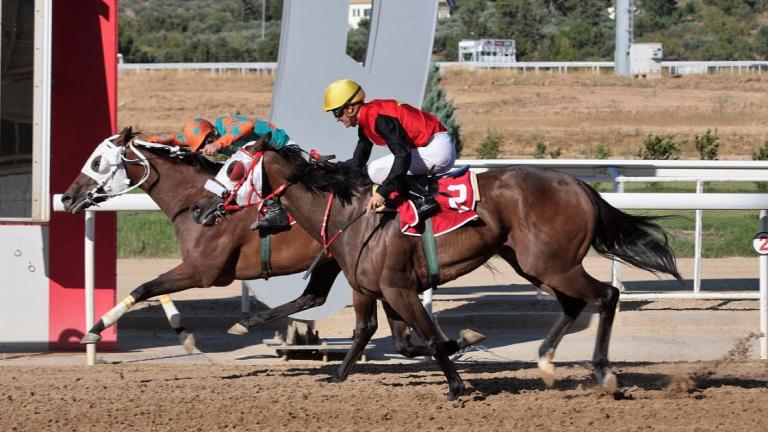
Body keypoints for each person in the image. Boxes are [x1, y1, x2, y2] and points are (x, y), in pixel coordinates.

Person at [321, 79, 455, 214]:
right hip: (430, 149)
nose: (337, 119)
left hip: (437, 149)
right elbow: (358, 162)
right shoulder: (366, 120)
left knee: (374, 169)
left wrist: (382, 192)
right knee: (371, 170)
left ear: (350, 109)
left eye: (336, 113)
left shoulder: (378, 118)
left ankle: (424, 198)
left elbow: (403, 154)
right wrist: (330, 168)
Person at [145, 115, 292, 231]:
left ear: (214, 133)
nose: (204, 149)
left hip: (282, 149)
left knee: (254, 176)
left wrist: (218, 144)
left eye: (205, 144)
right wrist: (155, 141)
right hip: (259, 158)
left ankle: (276, 211)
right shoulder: (209, 137)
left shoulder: (226, 123)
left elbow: (248, 125)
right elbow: (176, 139)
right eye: (201, 146)